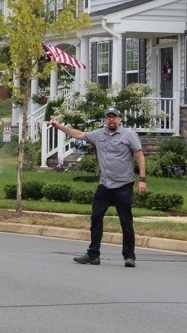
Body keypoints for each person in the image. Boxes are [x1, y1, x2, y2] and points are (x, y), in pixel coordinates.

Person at [48, 107, 147, 267]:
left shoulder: (129, 135)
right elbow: (79, 134)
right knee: (95, 218)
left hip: (124, 185)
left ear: (119, 119)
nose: (111, 120)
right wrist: (59, 126)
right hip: (105, 185)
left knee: (126, 222)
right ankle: (93, 254)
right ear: (105, 120)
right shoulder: (98, 135)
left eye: (114, 117)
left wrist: (142, 179)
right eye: (108, 117)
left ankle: (129, 256)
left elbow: (139, 155)